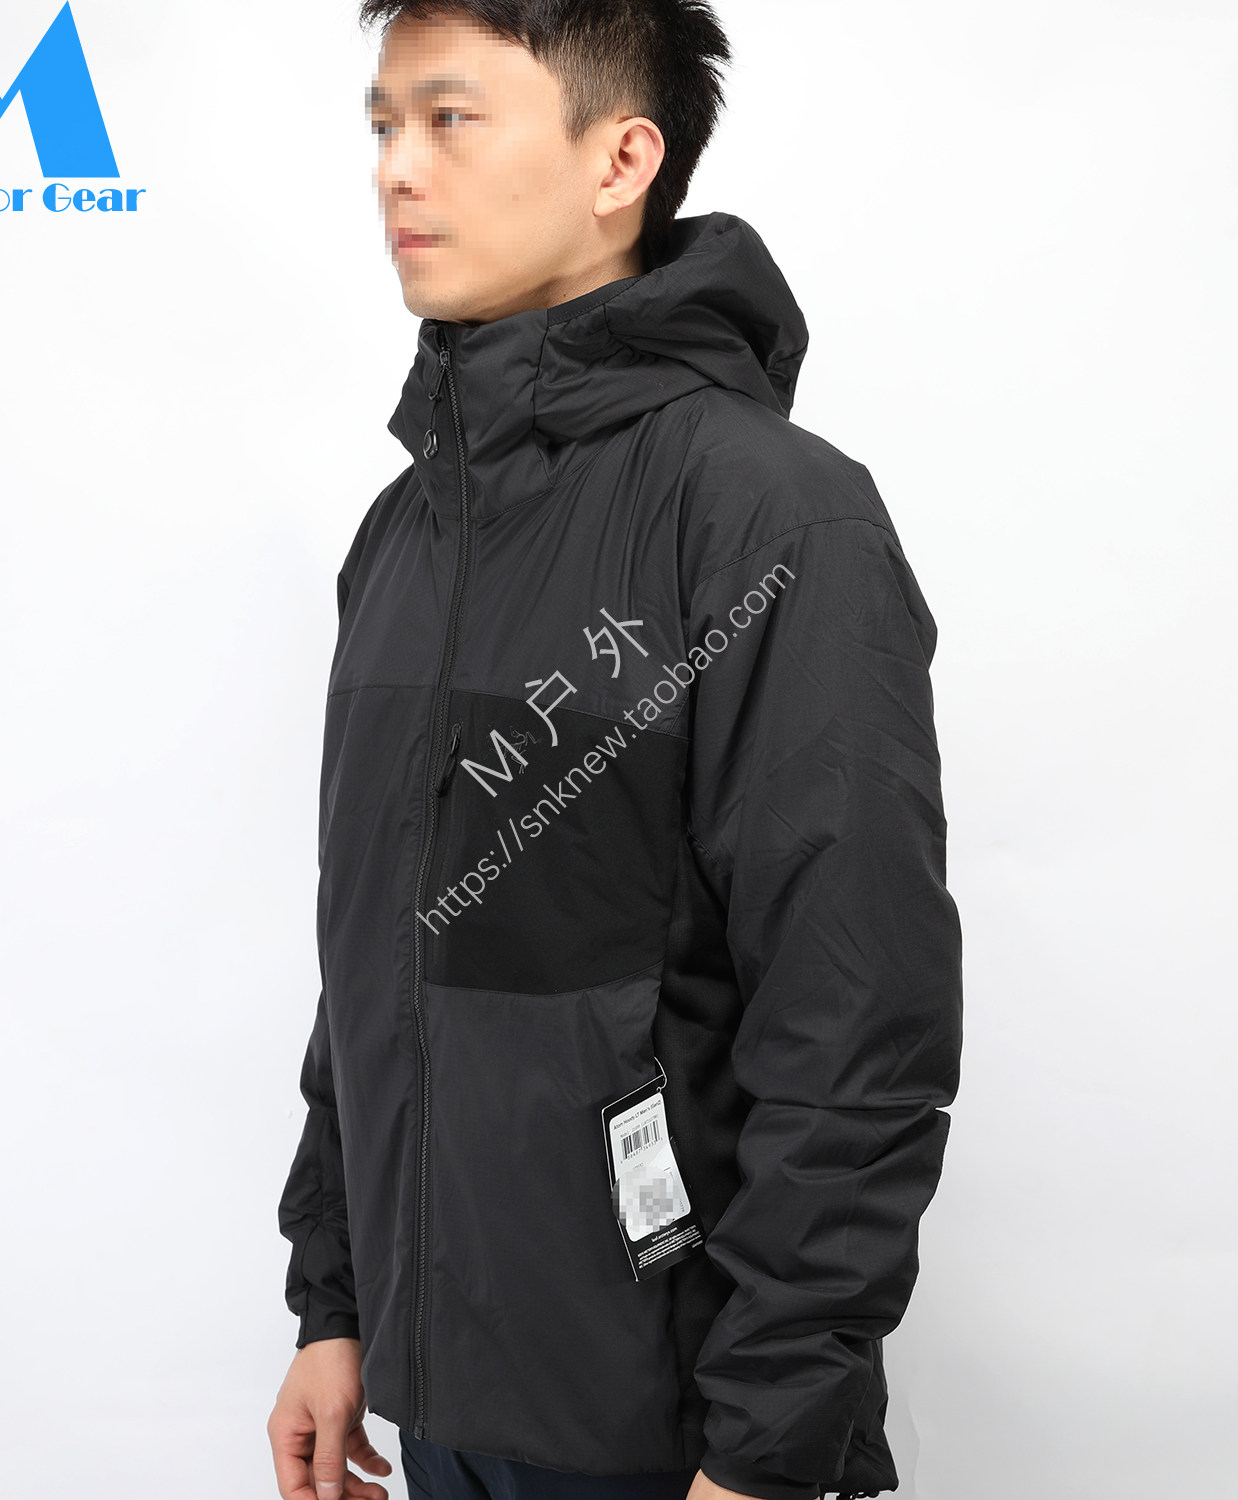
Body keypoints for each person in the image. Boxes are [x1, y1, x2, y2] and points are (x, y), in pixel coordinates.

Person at [266, 3, 963, 1499]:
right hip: (436, 1404)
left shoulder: (771, 519)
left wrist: (769, 1446)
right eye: (383, 125)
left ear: (621, 161)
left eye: (451, 119)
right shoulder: (403, 536)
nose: (397, 169)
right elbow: (378, 959)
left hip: (671, 1437)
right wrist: (337, 1302)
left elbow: (857, 1020)